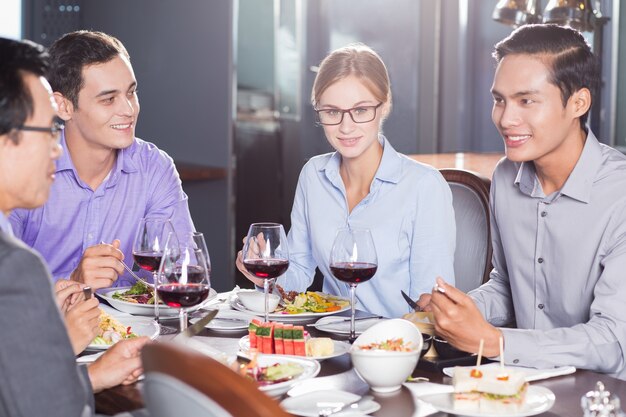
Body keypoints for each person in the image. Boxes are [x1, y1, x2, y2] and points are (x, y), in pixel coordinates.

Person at [425, 24, 626, 380]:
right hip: (519, 384)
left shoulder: (619, 194)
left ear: (578, 103)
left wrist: (493, 341)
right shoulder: (506, 176)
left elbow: (612, 340)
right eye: (499, 99)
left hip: (602, 395)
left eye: (526, 100)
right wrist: (458, 312)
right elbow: (506, 285)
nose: (505, 118)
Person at [237, 44, 456, 318]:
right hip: (332, 339)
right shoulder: (313, 175)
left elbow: (431, 301)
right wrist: (265, 278)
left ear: (384, 105)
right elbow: (300, 270)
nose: (346, 127)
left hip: (399, 346)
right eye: (332, 112)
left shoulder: (425, 186)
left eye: (361, 110)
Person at [0, 36, 149, 417]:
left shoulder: (153, 165)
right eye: (45, 130)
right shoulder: (14, 267)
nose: (55, 148)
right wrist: (60, 344)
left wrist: (94, 375)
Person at [9, 30, 195, 290]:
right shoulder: (23, 169)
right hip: (48, 327)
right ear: (62, 106)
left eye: (131, 93)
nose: (128, 111)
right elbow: (6, 293)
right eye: (108, 99)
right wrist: (72, 282)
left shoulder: (154, 168)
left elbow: (183, 270)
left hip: (133, 329)